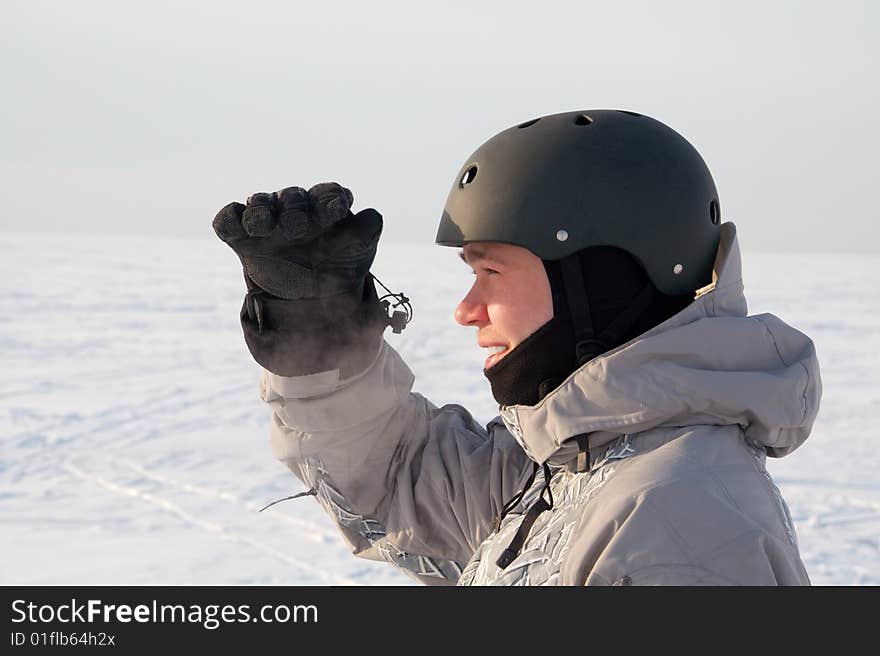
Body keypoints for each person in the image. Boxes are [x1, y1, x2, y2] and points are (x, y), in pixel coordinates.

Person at [213, 109, 821, 585]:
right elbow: (400, 480)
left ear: (602, 282)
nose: (465, 310)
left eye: (492, 273)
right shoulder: (574, 465)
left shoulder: (676, 525)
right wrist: (318, 341)